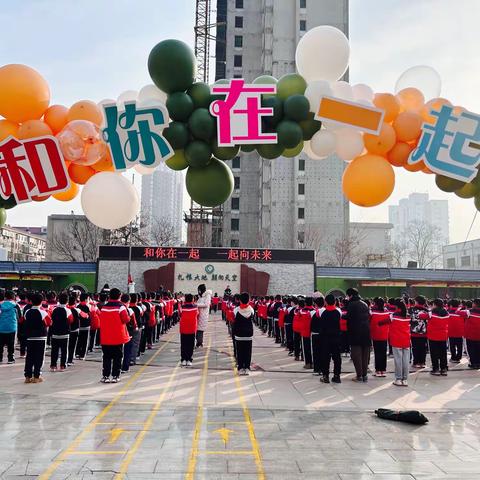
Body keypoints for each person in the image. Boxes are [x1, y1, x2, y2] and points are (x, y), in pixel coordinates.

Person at [98, 288, 130, 383]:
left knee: (106, 357)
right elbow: (126, 320)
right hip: (118, 337)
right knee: (118, 357)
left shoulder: (104, 307)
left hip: (106, 337)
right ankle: (115, 376)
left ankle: (105, 376)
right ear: (119, 296)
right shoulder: (121, 307)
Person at [23, 293, 51, 383]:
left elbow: (24, 320)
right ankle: (36, 376)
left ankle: (27, 376)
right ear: (41, 302)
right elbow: (49, 322)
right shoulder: (43, 312)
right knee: (39, 357)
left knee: (29, 357)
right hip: (41, 338)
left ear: (31, 301)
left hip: (30, 337)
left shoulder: (27, 312)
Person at [344, 288, 371, 382]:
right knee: (365, 355)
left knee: (356, 355)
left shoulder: (352, 304)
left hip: (355, 332)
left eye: (347, 295)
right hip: (366, 332)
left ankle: (359, 376)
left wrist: (340, 314)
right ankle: (365, 375)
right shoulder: (364, 304)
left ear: (350, 295)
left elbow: (348, 316)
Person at [421, 299, 450, 376]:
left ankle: (436, 369)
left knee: (434, 353)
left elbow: (421, 316)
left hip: (433, 336)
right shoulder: (446, 313)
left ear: (435, 304)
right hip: (443, 336)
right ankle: (444, 369)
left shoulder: (431, 313)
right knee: (443, 353)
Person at [318, 294, 342, 384]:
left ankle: (325, 376)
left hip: (325, 339)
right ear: (335, 302)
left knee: (325, 357)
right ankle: (337, 376)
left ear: (325, 302)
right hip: (336, 338)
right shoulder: (338, 312)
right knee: (337, 358)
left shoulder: (323, 313)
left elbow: (321, 327)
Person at [390, 298, 411, 387]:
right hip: (406, 340)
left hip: (396, 340)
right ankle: (405, 379)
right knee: (406, 360)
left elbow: (382, 322)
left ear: (396, 306)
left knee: (398, 360)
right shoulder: (408, 316)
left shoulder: (393, 316)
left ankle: (398, 379)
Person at [50, 293, 73, 372]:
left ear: (58, 300)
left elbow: (51, 319)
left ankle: (53, 365)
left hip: (55, 333)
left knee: (54, 350)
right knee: (64, 350)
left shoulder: (54, 309)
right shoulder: (68, 310)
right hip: (64, 333)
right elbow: (71, 320)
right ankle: (62, 365)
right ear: (67, 301)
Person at [233, 292, 255, 375]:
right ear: (249, 300)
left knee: (240, 351)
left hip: (239, 334)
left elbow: (233, 319)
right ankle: (247, 367)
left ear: (240, 300)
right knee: (248, 351)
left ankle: (241, 368)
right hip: (248, 333)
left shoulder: (236, 310)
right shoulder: (251, 309)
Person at [370, 297, 391, 377]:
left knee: (377, 353)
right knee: (383, 353)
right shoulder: (387, 312)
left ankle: (378, 370)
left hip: (376, 335)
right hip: (384, 335)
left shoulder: (373, 312)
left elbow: (371, 324)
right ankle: (383, 370)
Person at [409, 295, 429, 368]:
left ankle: (416, 362)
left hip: (414, 333)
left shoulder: (411, 310)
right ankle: (422, 362)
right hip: (424, 333)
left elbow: (409, 320)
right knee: (423, 348)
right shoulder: (427, 310)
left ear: (416, 302)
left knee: (415, 348)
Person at [0, 290, 19, 364]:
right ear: (13, 297)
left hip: (1, 328)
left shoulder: (0, 305)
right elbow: (18, 317)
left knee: (0, 344)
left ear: (5, 297)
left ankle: (0, 358)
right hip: (12, 328)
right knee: (11, 344)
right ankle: (10, 358)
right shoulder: (15, 305)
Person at [179, 293, 198, 367]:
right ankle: (189, 359)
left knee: (183, 344)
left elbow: (180, 315)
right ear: (192, 299)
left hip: (183, 328)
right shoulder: (195, 307)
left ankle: (183, 359)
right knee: (191, 345)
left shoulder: (182, 307)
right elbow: (197, 314)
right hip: (192, 328)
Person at [465, 299, 480, 368]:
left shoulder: (469, 312)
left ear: (475, 304)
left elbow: (458, 312)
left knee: (471, 350)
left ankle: (473, 363)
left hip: (471, 335)